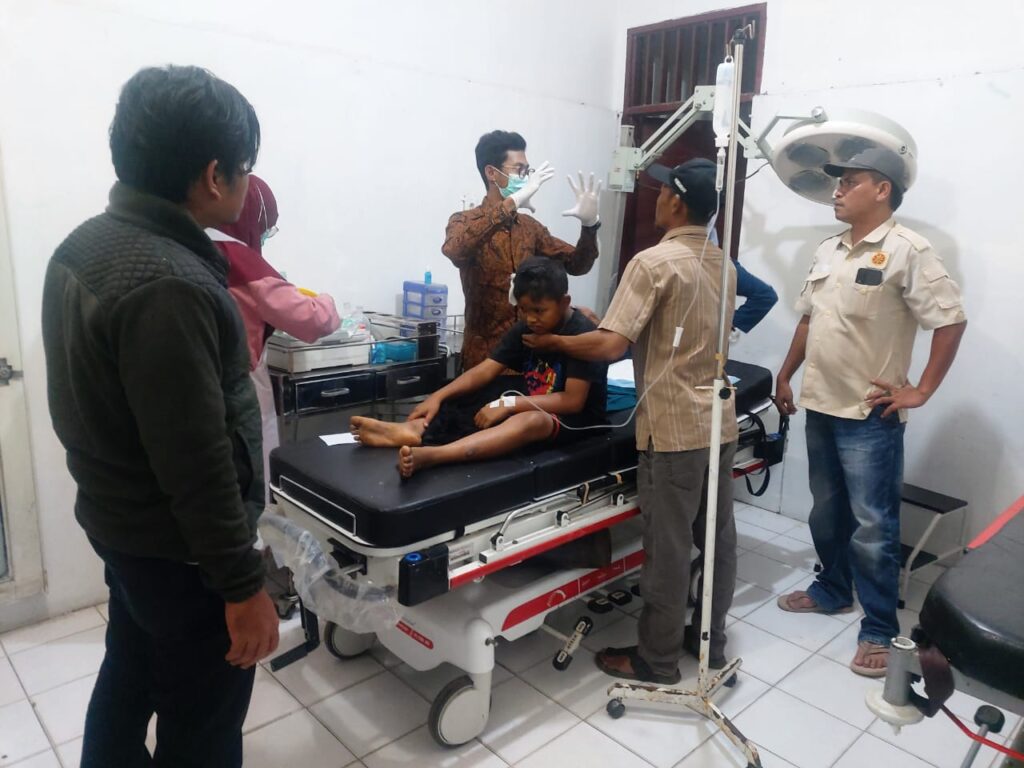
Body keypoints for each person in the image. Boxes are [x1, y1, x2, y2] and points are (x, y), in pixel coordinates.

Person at [41, 65, 279, 767]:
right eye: (244, 168)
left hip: (123, 531)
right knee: (203, 723)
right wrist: (242, 586)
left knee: (131, 671)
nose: (245, 184)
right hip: (183, 556)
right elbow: (197, 458)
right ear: (213, 176)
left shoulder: (85, 245)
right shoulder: (168, 284)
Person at [524, 158, 738, 684]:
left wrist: (554, 342)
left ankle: (656, 659)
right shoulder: (722, 263)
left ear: (676, 202)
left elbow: (609, 347)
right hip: (718, 421)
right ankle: (708, 639)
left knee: (667, 549)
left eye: (662, 191)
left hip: (673, 428)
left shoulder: (653, 262)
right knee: (717, 539)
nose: (657, 198)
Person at [774, 148, 967, 677]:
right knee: (825, 511)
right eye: (838, 183)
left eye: (850, 182)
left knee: (874, 525)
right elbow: (809, 320)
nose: (837, 191)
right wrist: (785, 373)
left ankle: (880, 628)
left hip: (869, 414)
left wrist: (921, 390)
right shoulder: (829, 250)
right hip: (820, 404)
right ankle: (833, 589)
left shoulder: (908, 250)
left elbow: (950, 320)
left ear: (882, 190)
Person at [350, 257, 607, 478]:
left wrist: (508, 404)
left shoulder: (583, 334)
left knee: (531, 420)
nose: (531, 318)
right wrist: (438, 397)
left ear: (564, 302)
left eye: (539, 311)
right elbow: (485, 370)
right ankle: (413, 430)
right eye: (524, 310)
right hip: (535, 398)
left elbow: (573, 402)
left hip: (577, 419)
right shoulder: (528, 328)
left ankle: (435, 455)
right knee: (481, 389)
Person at [208, 175, 341, 485]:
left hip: (200, 380)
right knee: (252, 474)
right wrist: (326, 299)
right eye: (267, 229)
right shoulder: (242, 262)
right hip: (242, 382)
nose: (264, 237)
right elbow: (314, 318)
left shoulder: (192, 246)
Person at [443, 130, 602, 370]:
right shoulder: (464, 221)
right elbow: (455, 250)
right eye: (519, 170)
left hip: (530, 360)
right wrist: (512, 202)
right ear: (491, 173)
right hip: (483, 359)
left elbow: (578, 265)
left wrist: (590, 226)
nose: (527, 178)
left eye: (528, 171)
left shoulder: (530, 228)